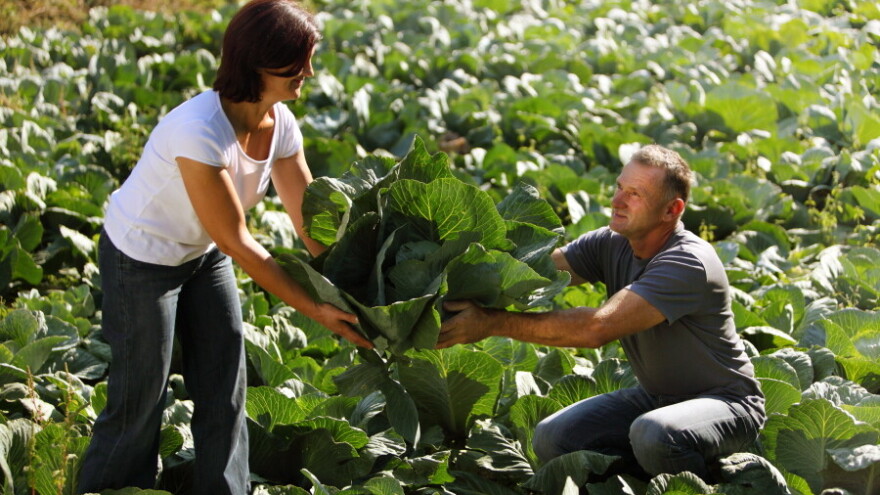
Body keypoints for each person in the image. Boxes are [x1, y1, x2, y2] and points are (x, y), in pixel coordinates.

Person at [77, 1, 372, 494]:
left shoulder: (280, 124)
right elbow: (239, 242)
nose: (310, 73)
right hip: (141, 258)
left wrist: (360, 296)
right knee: (140, 398)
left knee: (225, 384)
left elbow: (311, 227)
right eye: (298, 62)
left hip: (201, 255)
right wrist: (317, 311)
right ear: (260, 61)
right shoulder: (199, 130)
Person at [437, 145, 765, 482]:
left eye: (635, 194)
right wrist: (417, 304)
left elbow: (595, 330)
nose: (617, 201)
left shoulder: (687, 262)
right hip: (655, 399)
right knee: (553, 437)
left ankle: (716, 483)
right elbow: (525, 272)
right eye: (619, 187)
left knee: (655, 435)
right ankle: (651, 479)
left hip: (727, 405)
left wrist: (491, 324)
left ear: (672, 209)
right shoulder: (611, 242)